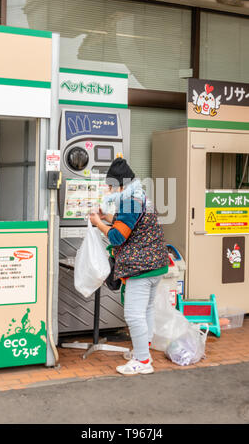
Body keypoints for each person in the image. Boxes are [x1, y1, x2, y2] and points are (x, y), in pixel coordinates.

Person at [90, 158, 169, 376]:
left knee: (134, 314)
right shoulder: (140, 196)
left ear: (119, 185)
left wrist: (99, 224)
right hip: (156, 264)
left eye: (110, 185)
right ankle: (144, 351)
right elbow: (130, 222)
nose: (108, 189)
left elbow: (117, 236)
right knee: (146, 310)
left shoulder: (130, 201)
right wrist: (108, 217)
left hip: (141, 267)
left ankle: (142, 361)